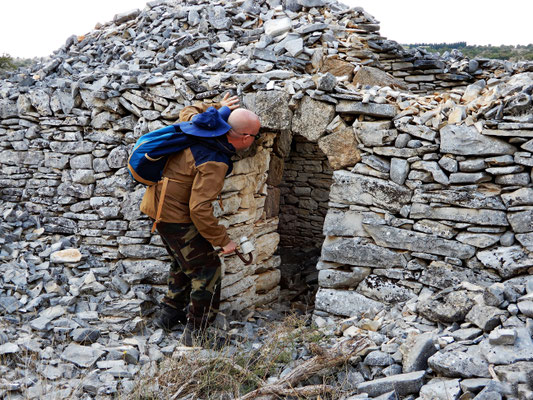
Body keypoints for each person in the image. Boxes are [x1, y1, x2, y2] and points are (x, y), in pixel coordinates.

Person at [139, 93, 261, 346]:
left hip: (159, 208)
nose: (254, 140)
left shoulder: (203, 128)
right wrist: (223, 241)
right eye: (254, 136)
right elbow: (199, 209)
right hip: (175, 217)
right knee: (207, 268)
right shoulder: (215, 159)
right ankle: (198, 332)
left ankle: (169, 315)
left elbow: (188, 110)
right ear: (246, 137)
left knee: (184, 262)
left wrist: (219, 108)